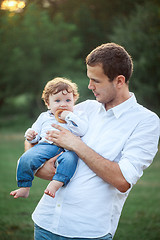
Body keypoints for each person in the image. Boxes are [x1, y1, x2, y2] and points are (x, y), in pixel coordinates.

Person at [32, 43, 159, 240]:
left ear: (119, 81)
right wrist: (33, 159)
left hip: (88, 232)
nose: (90, 86)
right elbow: (40, 131)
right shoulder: (85, 108)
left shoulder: (146, 121)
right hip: (45, 222)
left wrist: (75, 144)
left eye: (96, 81)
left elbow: (122, 180)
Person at [10, 77, 88, 199]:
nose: (63, 104)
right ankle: (24, 187)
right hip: (46, 145)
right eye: (57, 101)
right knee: (26, 158)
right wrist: (31, 136)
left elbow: (82, 130)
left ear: (74, 101)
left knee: (70, 160)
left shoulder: (76, 116)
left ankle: (55, 184)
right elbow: (35, 132)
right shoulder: (44, 117)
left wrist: (69, 116)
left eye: (68, 100)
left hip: (67, 149)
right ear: (48, 104)